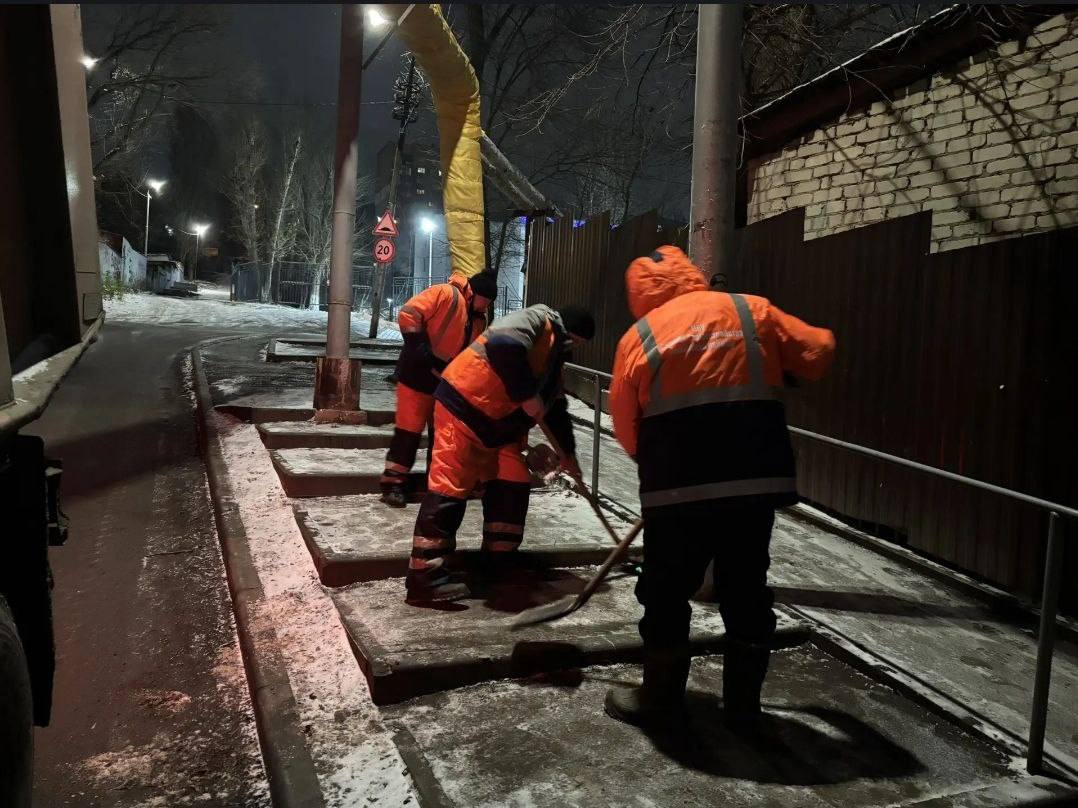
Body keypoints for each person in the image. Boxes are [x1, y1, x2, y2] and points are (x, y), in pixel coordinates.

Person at [603, 245, 835, 732]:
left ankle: (660, 701)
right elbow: (817, 352)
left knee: (665, 591)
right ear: (693, 275)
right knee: (745, 587)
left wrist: (658, 462)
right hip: (753, 483)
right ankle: (744, 710)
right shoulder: (753, 310)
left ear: (638, 293)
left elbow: (625, 425)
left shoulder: (638, 336)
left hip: (676, 494)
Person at [405, 303, 595, 603]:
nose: (577, 348)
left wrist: (568, 456)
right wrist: (525, 395)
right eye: (579, 342)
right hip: (463, 407)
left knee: (514, 481)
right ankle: (424, 575)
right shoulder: (537, 319)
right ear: (572, 333)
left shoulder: (553, 360)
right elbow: (504, 345)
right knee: (450, 488)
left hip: (496, 426)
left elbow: (556, 410)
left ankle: (499, 560)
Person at [381, 270, 499, 507]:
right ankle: (393, 484)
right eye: (483, 300)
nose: (485, 306)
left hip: (444, 383)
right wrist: (421, 351)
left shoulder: (479, 318)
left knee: (442, 437)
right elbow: (409, 313)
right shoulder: (445, 294)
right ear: (473, 292)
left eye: (488, 303)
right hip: (416, 375)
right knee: (408, 433)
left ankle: (434, 485)